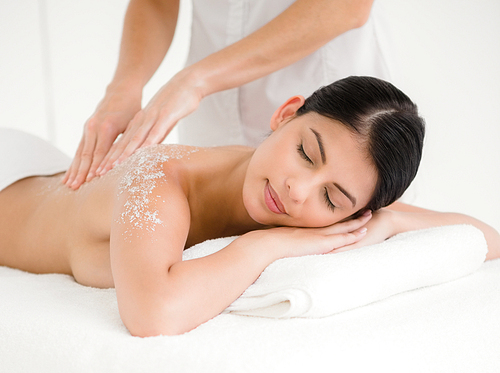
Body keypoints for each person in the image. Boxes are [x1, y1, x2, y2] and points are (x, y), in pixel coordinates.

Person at [0, 77, 498, 338]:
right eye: (306, 152)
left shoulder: (337, 202)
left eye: (332, 197)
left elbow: (486, 238)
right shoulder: (157, 180)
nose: (299, 190)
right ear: (285, 115)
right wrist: (264, 246)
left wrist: (392, 219)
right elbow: (153, 314)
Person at [63, 0, 392, 189]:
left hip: (329, 114)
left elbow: (346, 7)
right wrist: (124, 88)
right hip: (209, 114)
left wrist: (196, 81)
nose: (294, 191)